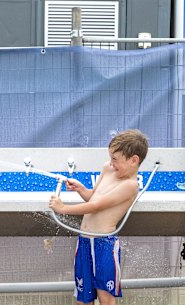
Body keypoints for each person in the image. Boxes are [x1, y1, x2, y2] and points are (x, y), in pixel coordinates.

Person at [49, 129, 148, 305]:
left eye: (115, 159)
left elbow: (97, 206)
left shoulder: (130, 186)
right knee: (83, 298)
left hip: (104, 244)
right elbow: (92, 198)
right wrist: (81, 189)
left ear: (134, 160)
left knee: (106, 298)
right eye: (111, 158)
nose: (111, 163)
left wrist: (63, 208)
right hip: (85, 242)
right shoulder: (107, 169)